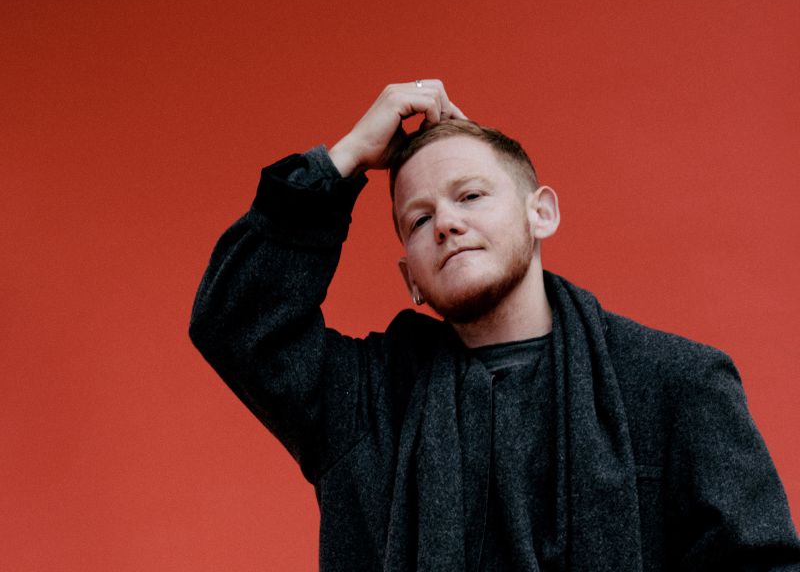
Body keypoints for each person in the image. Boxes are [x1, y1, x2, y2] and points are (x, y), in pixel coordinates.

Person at [189, 80, 800, 571]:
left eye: (471, 196)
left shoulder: (677, 384)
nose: (446, 223)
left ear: (542, 213)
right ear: (410, 279)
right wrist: (344, 158)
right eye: (419, 219)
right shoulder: (362, 402)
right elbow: (235, 322)